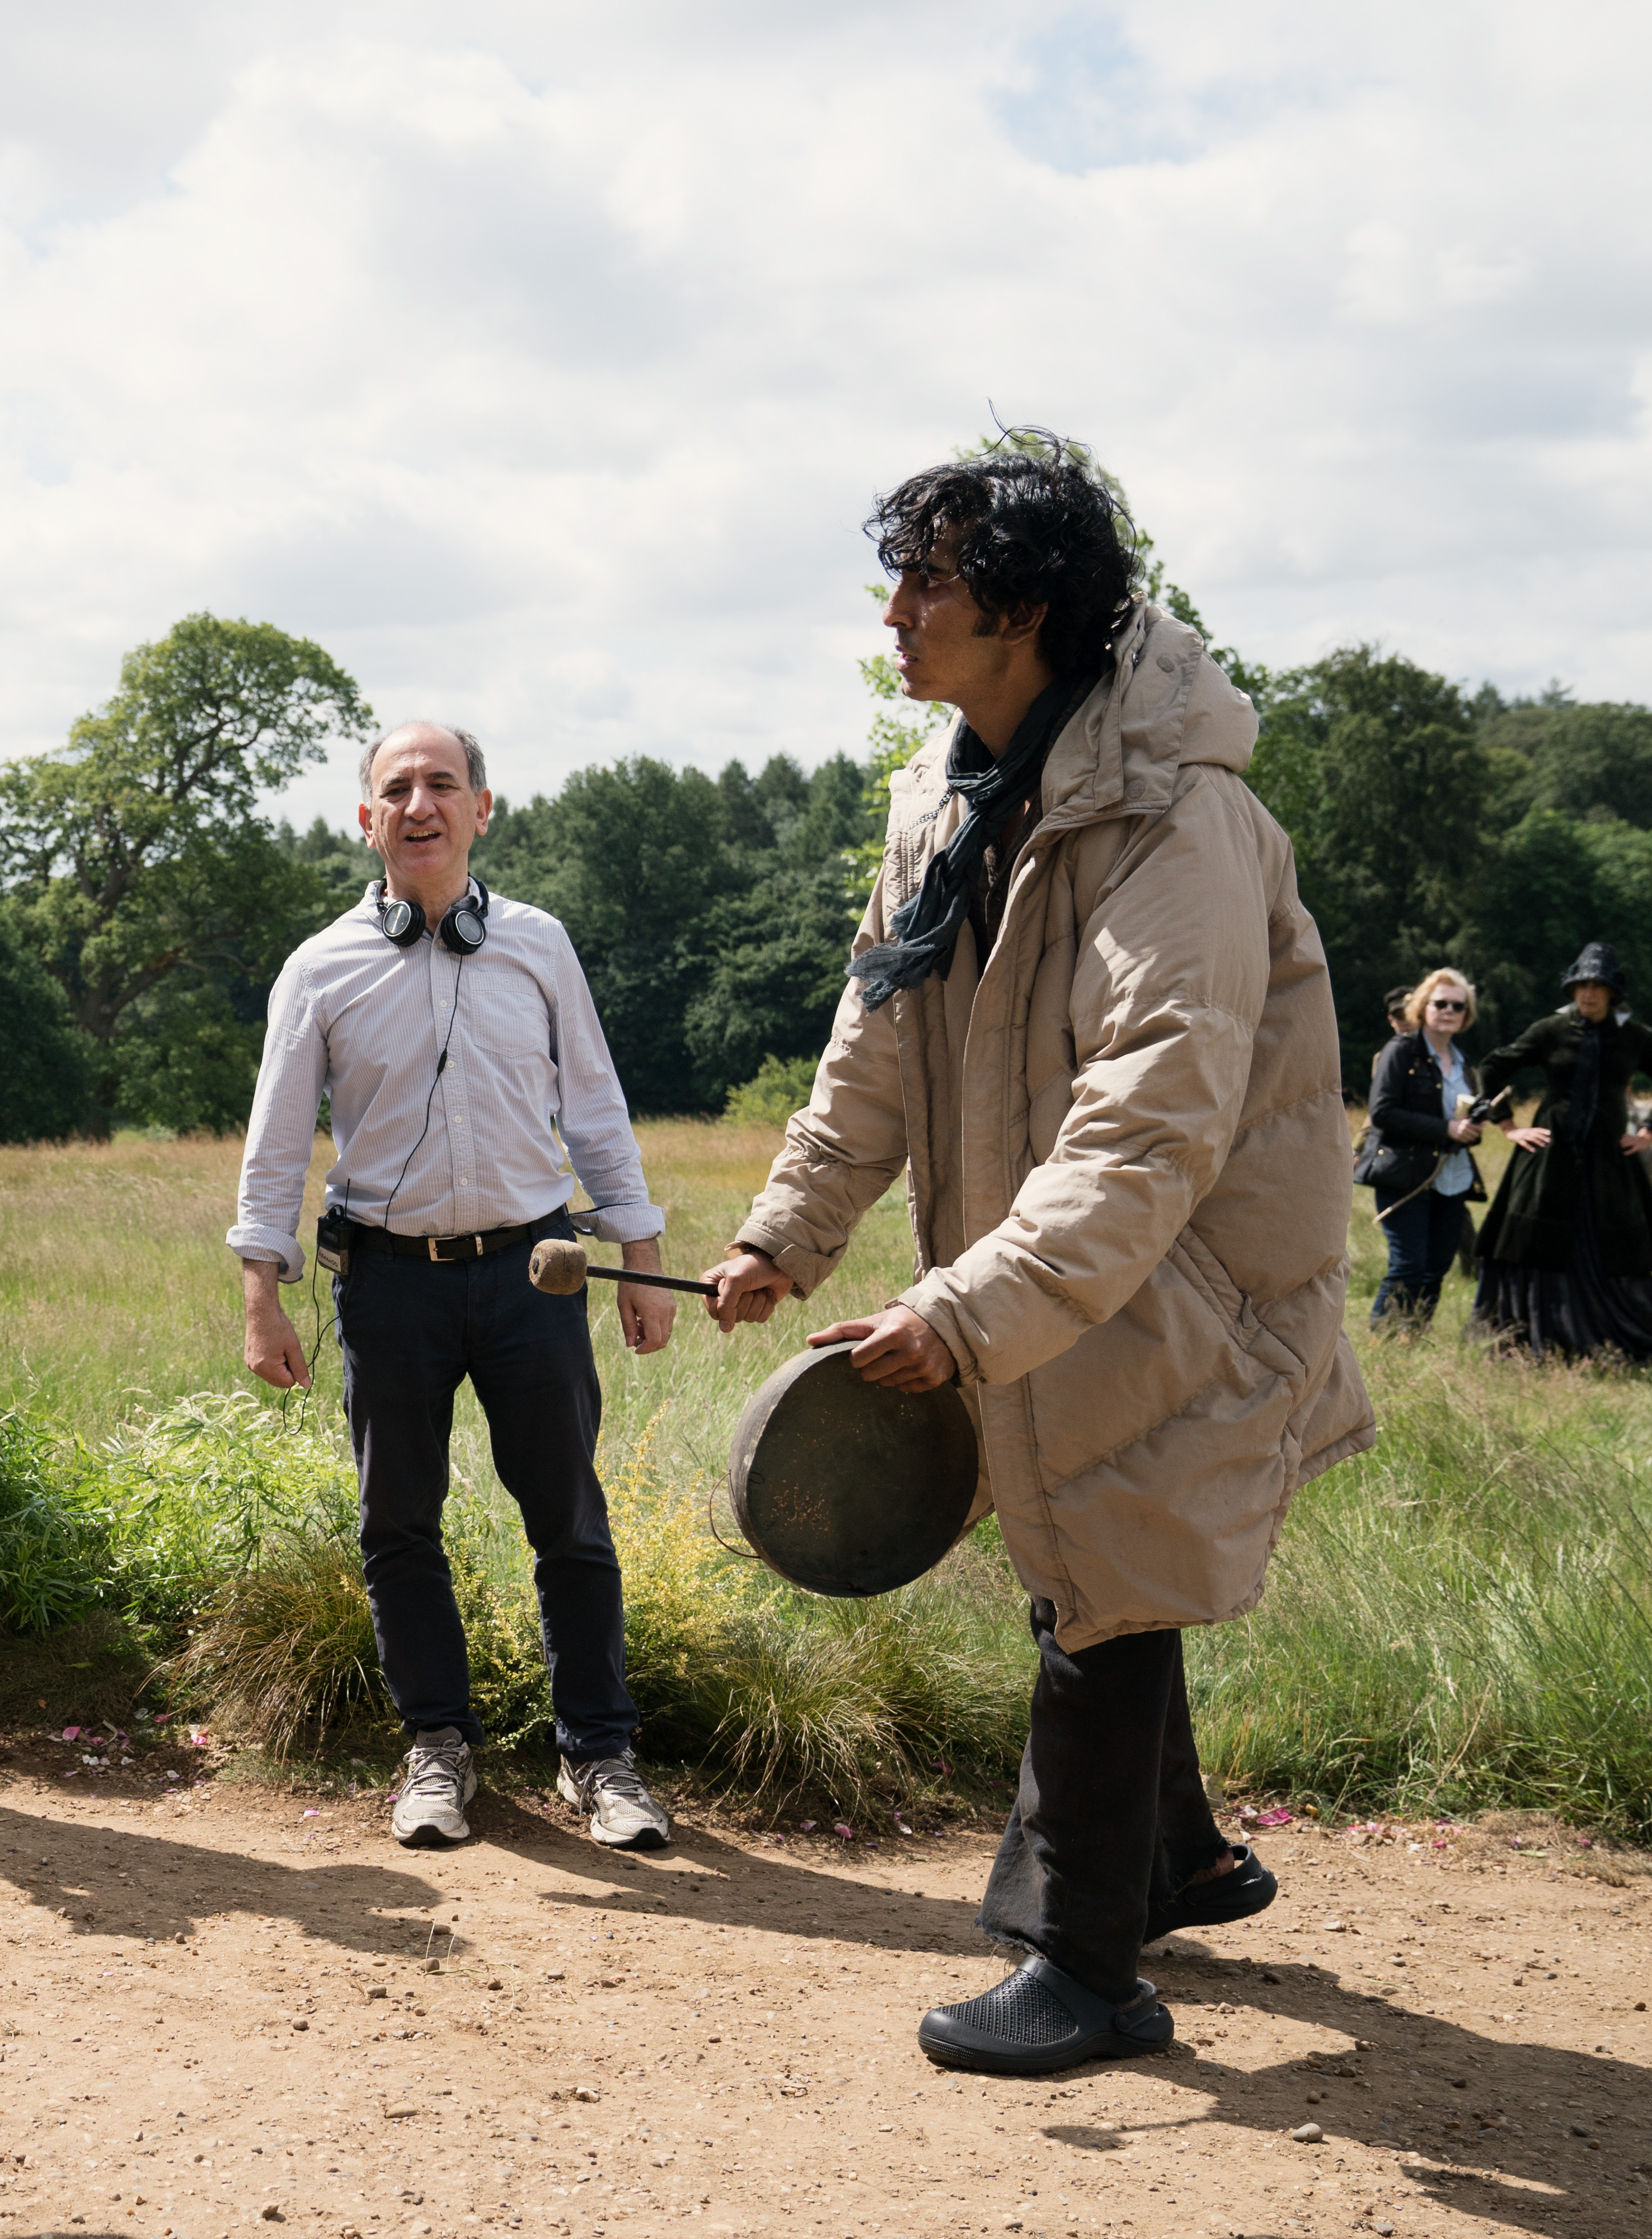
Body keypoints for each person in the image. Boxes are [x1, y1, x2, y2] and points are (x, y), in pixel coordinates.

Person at [702, 437, 1372, 2076]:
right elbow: (874, 1050)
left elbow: (1151, 1122)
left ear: (1027, 607)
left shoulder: (1176, 819)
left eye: (926, 579)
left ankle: (1079, 1965)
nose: (892, 613)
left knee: (1097, 1569)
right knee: (1102, 1548)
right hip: (1056, 1266)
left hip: (1180, 1269)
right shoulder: (939, 796)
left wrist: (962, 1303)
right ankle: (1183, 1859)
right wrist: (784, 1232)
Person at [229, 722, 679, 1855]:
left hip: (537, 1272)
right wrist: (261, 1290)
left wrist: (641, 1247)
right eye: (397, 788)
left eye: (443, 784)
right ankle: (436, 1747)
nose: (420, 804)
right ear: (365, 819)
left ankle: (599, 1755)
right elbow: (277, 1147)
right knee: (399, 1524)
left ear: (484, 807)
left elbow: (597, 1106)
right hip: (388, 1285)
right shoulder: (320, 967)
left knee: (568, 1518)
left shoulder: (539, 947)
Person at [1468, 942, 1652, 1361]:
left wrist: (1650, 1132)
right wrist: (1509, 1126)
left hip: (1608, 1163)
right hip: (1549, 1157)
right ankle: (1537, 1335)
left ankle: (1610, 1339)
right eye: (1581, 986)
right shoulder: (1550, 1030)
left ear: (1612, 993)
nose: (1588, 993)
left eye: (1597, 986)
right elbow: (1493, 1067)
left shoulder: (1635, 1036)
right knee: (1536, 1241)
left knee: (1614, 1247)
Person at [1363, 967, 1487, 1329]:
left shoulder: (1464, 1066)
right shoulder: (1400, 1052)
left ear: (1467, 1015)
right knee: (1409, 1266)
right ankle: (1382, 1340)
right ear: (1423, 1007)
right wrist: (1446, 1128)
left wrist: (1471, 1129)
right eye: (1441, 1004)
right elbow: (1382, 1112)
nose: (1449, 1011)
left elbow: (1470, 1131)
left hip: (1453, 1178)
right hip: (1405, 1175)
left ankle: (1412, 1338)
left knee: (1437, 1266)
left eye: (1458, 1006)